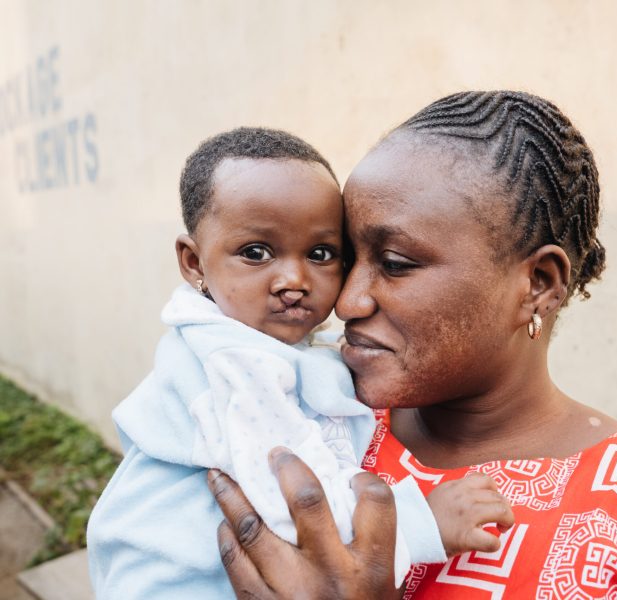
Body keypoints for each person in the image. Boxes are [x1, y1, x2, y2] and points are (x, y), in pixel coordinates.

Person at [208, 92, 617, 599]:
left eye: (395, 263)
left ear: (538, 284)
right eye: (344, 257)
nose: (347, 302)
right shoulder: (300, 412)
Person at [86, 127, 514, 599]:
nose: (293, 279)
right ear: (193, 264)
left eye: (320, 254)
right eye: (255, 253)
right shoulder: (233, 363)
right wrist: (421, 523)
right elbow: (284, 504)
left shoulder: (259, 341)